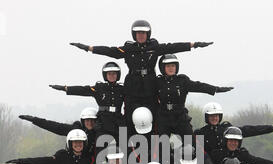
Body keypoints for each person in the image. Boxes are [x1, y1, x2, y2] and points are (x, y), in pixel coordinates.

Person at [70, 19, 213, 134]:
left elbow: (173, 47)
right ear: (134, 35)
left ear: (148, 34)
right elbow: (110, 51)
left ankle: (155, 145)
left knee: (154, 115)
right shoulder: (128, 49)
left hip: (150, 85)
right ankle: (130, 144)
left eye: (143, 33)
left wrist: (194, 45)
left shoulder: (154, 47)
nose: (141, 35)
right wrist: (89, 48)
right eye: (138, 33)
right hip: (132, 85)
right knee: (130, 116)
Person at [156, 54, 233, 147]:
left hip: (180, 116)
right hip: (163, 117)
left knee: (192, 143)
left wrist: (216, 89)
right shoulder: (157, 82)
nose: (171, 68)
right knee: (161, 146)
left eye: (173, 65)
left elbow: (198, 86)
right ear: (163, 67)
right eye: (168, 66)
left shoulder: (182, 81)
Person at [49, 62, 126, 143]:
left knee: (124, 144)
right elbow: (83, 90)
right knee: (101, 146)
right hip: (103, 121)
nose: (112, 76)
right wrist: (65, 88)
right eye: (109, 74)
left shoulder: (122, 89)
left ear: (118, 75)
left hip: (119, 121)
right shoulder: (99, 88)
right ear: (105, 75)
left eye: (114, 74)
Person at [194, 102, 273, 154]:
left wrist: (270, 127)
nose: (214, 118)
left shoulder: (227, 129)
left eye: (216, 115)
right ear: (206, 117)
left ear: (220, 116)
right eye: (211, 116)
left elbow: (248, 130)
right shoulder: (200, 133)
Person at [19, 107, 98, 156]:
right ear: (83, 121)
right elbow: (55, 127)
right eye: (87, 120)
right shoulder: (75, 131)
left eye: (92, 120)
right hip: (75, 160)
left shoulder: (101, 133)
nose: (90, 123)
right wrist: (34, 120)